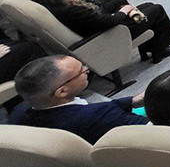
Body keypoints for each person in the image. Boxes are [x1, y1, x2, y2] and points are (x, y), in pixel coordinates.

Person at [27, 0, 170, 63]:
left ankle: (149, 47)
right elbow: (107, 22)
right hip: (110, 34)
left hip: (97, 28)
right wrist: (124, 12)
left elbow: (91, 18)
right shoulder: (69, 10)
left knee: (126, 2)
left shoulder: (52, 6)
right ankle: (159, 49)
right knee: (155, 9)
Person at [12, 55, 149, 143]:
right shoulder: (99, 115)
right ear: (62, 91)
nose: (87, 69)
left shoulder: (19, 113)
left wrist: (130, 101)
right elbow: (154, 131)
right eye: (81, 71)